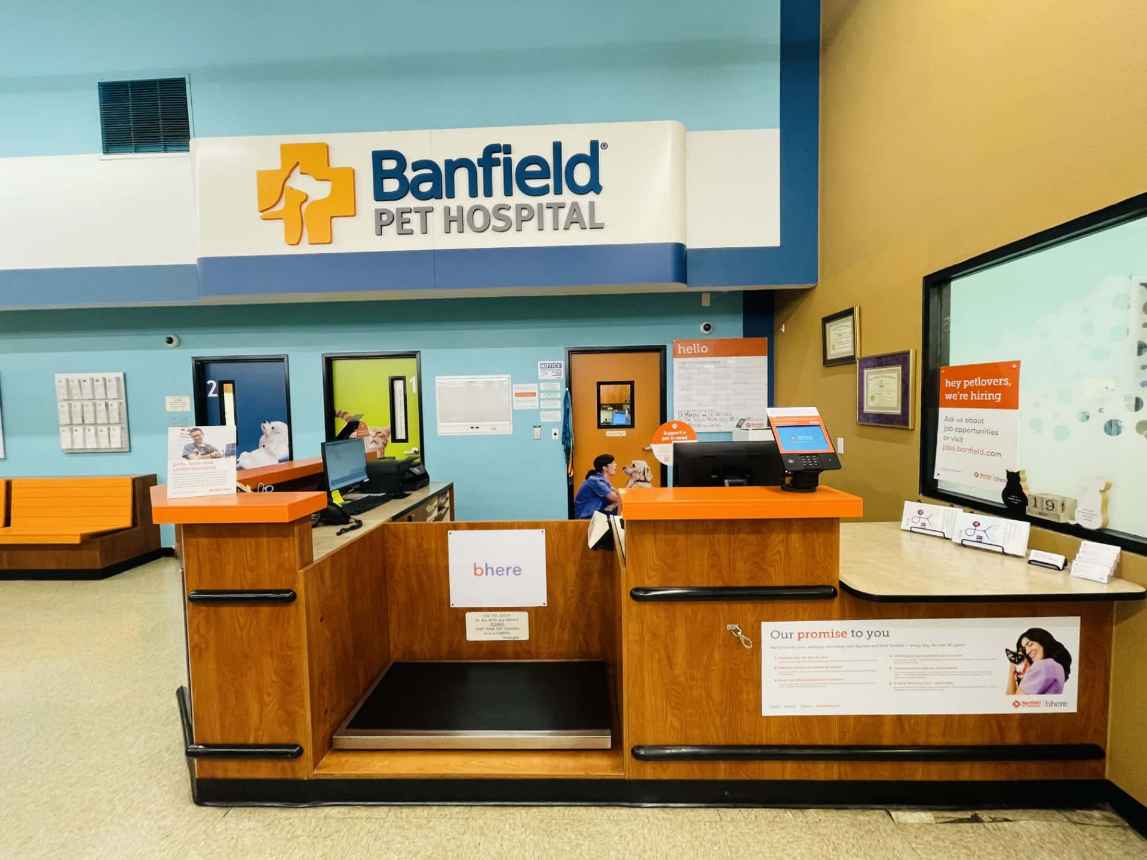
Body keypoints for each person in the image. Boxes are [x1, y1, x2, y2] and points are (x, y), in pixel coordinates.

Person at [1006, 627, 1072, 695]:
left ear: (1042, 641)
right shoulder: (1057, 667)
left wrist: (1011, 672)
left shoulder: (1042, 665)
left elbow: (1014, 700)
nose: (1027, 652)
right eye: (1025, 649)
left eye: (1030, 644)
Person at [573, 454, 621, 519]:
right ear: (604, 467)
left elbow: (618, 494)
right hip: (586, 517)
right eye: (613, 463)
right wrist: (632, 480)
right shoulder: (595, 480)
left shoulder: (602, 481)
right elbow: (616, 498)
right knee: (620, 505)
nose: (616, 465)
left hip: (596, 515)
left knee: (619, 505)